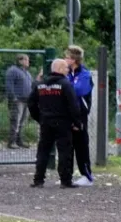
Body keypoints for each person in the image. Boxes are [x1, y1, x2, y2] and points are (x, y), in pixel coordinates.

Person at [28, 59, 81, 189]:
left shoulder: (40, 84)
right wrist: (76, 122)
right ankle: (65, 181)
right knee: (64, 151)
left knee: (43, 151)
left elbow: (31, 103)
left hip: (46, 122)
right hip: (62, 122)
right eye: (66, 68)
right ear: (60, 69)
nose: (68, 70)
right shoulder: (65, 84)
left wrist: (39, 118)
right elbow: (73, 105)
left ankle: (38, 180)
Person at [65, 46, 94, 187]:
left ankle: (87, 176)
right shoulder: (66, 73)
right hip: (66, 114)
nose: (65, 59)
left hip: (80, 114)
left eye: (67, 57)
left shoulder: (85, 74)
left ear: (74, 59)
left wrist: (65, 85)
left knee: (81, 145)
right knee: (67, 145)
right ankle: (67, 175)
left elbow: (79, 90)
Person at [5, 54, 33, 149]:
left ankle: (19, 140)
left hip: (27, 101)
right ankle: (11, 141)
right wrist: (14, 98)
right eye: (26, 60)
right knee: (15, 121)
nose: (28, 62)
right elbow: (9, 86)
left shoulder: (26, 72)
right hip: (17, 101)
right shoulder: (12, 70)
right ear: (20, 61)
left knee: (22, 121)